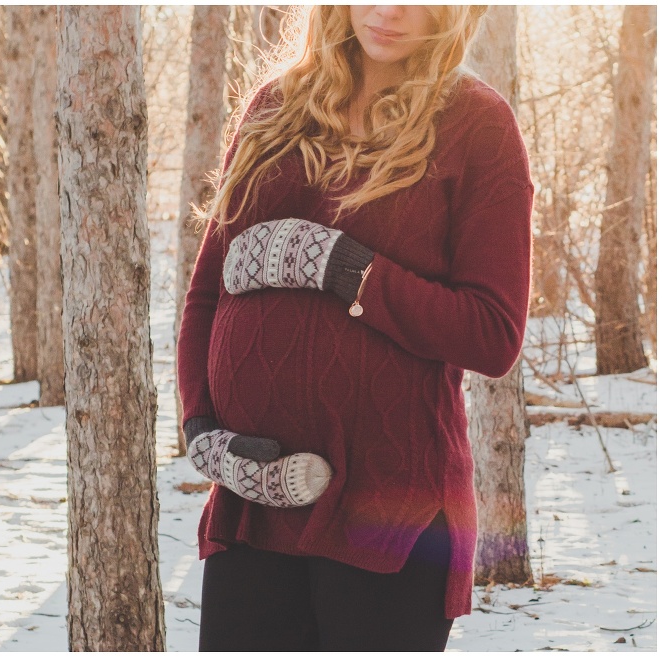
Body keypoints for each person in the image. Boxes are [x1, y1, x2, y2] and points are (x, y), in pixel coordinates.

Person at [177, 5, 533, 651]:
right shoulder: (274, 109)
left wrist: (347, 269)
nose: (388, 11)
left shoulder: (475, 122)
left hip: (391, 508)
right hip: (257, 494)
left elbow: (492, 334)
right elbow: (209, 290)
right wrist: (202, 427)